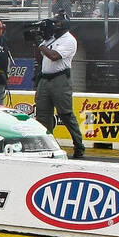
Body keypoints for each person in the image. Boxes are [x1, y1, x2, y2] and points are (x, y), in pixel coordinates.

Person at [34, 13, 85, 158]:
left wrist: (41, 45)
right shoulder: (50, 38)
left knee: (65, 113)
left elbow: (54, 56)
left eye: (56, 23)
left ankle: (78, 145)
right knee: (43, 114)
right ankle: (46, 145)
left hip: (60, 78)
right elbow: (40, 57)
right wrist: (38, 44)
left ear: (64, 25)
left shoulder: (69, 40)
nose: (53, 26)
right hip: (45, 78)